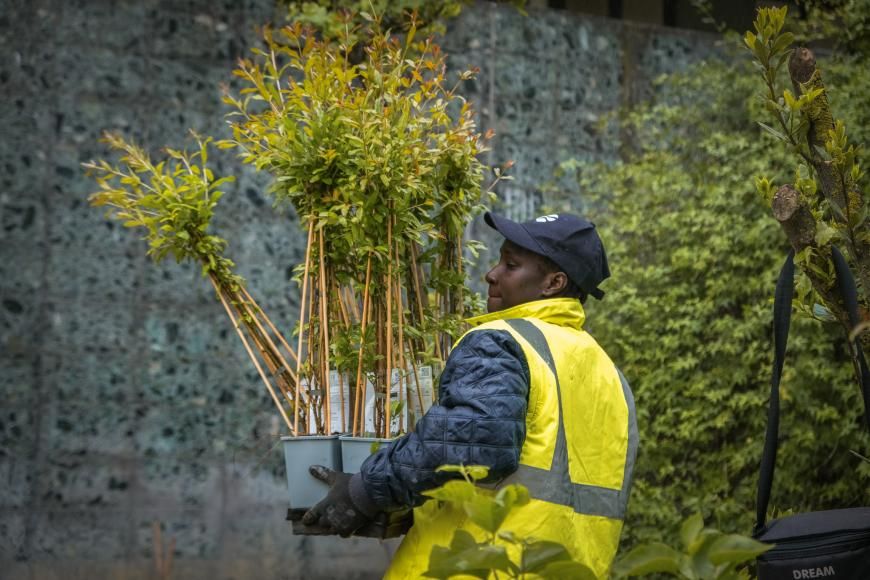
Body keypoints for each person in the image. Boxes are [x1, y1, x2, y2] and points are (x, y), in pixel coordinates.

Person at [302, 211, 639, 579]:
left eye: (511, 265)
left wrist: (364, 490)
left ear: (553, 283)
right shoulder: (611, 377)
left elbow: (470, 443)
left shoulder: (503, 343)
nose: (491, 274)